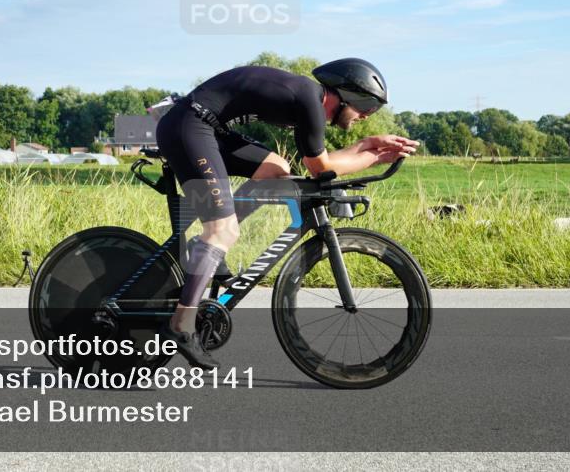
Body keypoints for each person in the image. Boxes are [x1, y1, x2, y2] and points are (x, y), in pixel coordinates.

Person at [154, 58, 419, 368]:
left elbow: (320, 163)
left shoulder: (308, 98)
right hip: (188, 127)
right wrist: (373, 155)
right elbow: (321, 167)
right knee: (222, 230)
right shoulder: (309, 101)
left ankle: (208, 248)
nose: (365, 115)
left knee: (276, 168)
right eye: (367, 106)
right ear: (348, 95)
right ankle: (181, 325)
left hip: (204, 127)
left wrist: (368, 145)